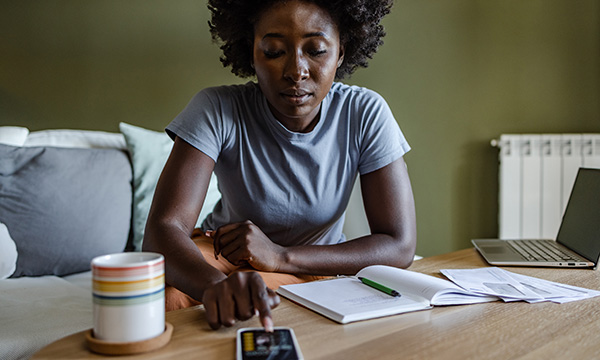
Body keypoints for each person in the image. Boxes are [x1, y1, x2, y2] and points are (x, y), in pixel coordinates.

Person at [143, 0, 417, 332]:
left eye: (316, 50)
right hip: (221, 254)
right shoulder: (217, 108)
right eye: (274, 51)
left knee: (265, 297)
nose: (296, 71)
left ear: (341, 52)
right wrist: (213, 285)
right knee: (162, 294)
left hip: (310, 264)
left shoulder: (364, 113)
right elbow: (163, 230)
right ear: (252, 52)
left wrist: (280, 256)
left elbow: (399, 244)